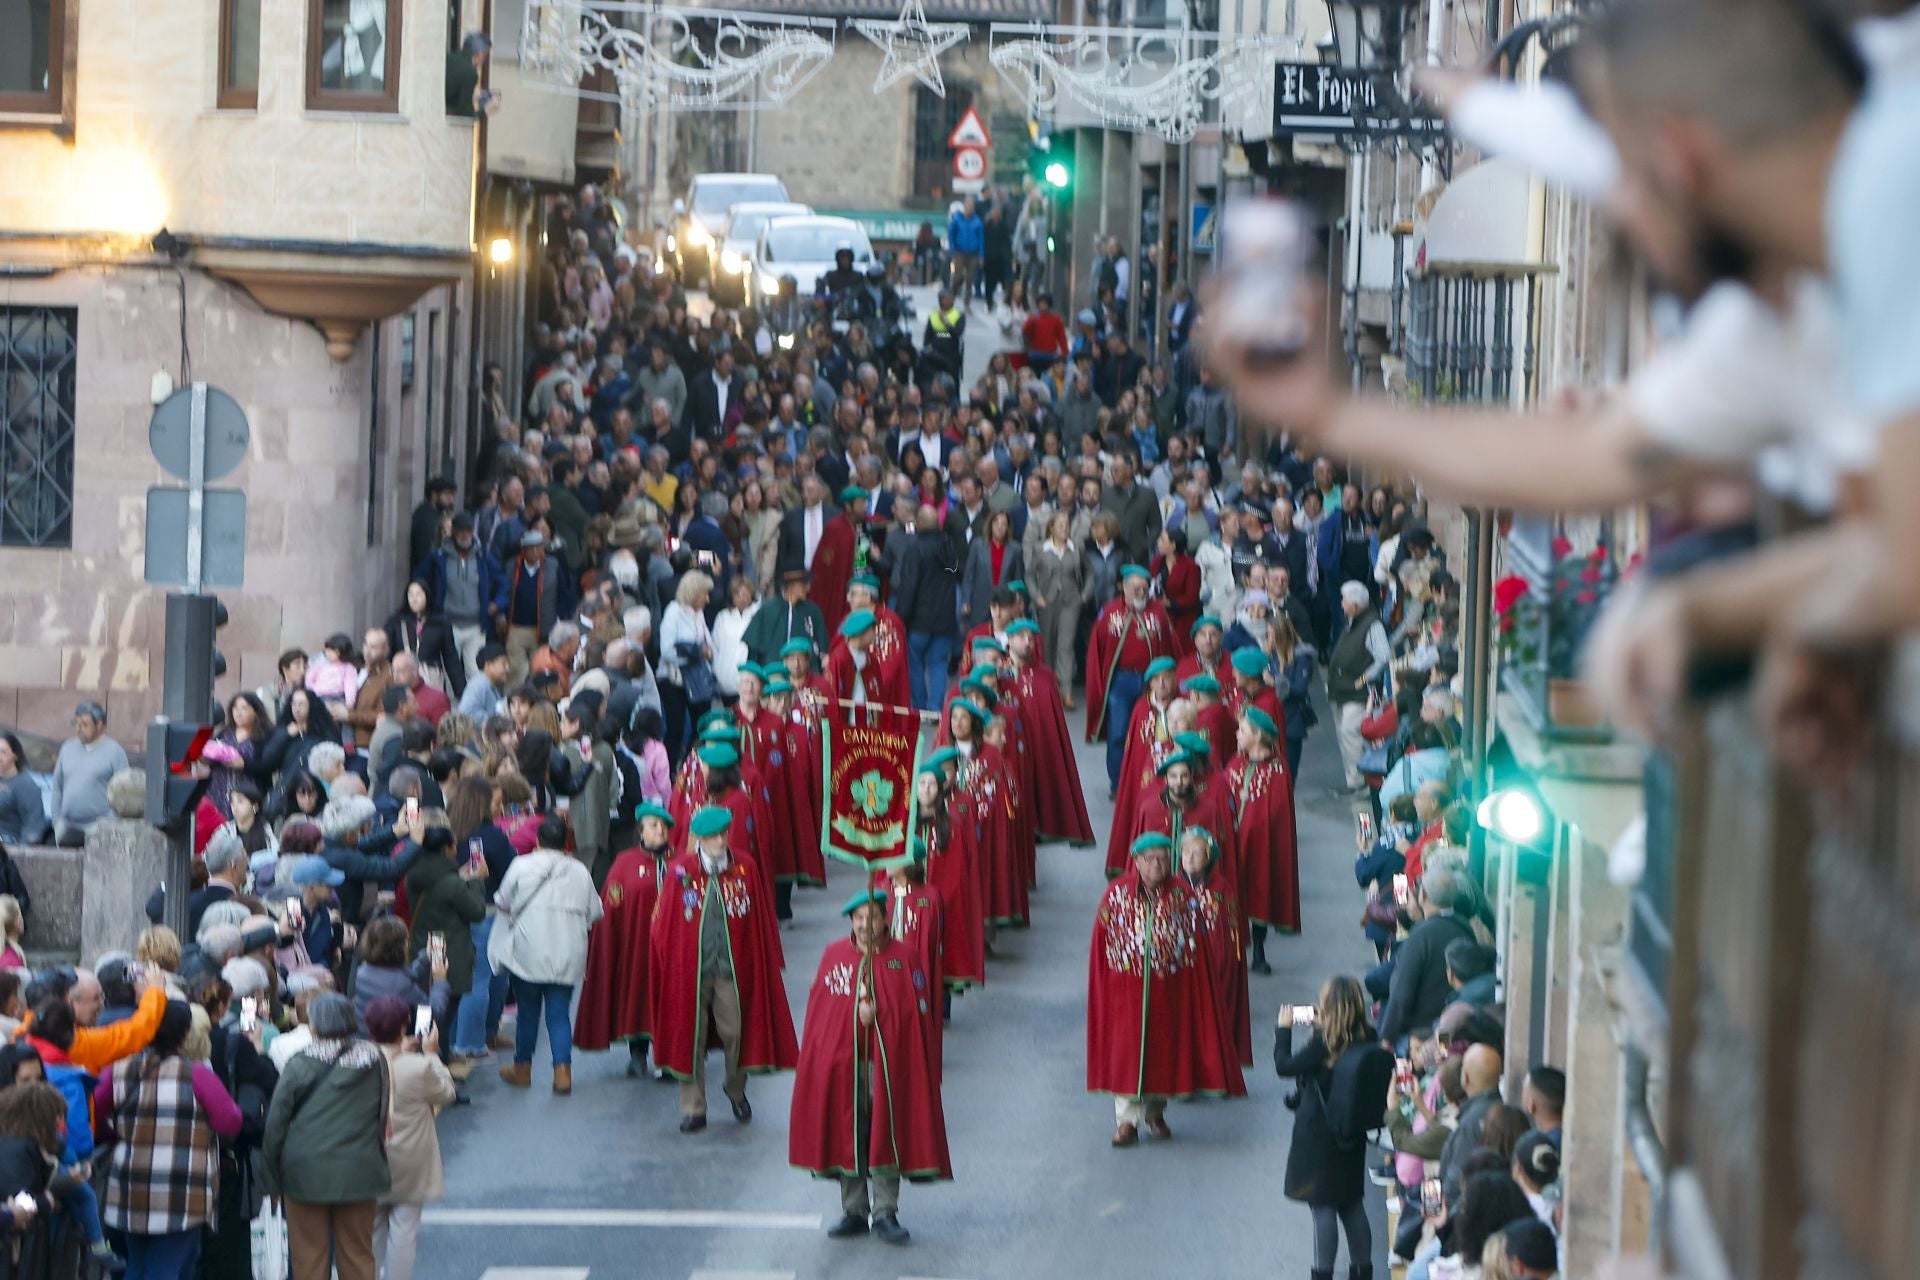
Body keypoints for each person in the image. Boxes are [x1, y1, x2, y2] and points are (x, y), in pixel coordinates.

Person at [790, 889, 950, 1246]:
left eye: (873, 917)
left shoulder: (904, 959)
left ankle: (886, 1211)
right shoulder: (834, 956)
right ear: (851, 921)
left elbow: (916, 1016)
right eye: (859, 918)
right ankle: (854, 1209)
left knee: (885, 1135)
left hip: (887, 1067)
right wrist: (852, 1015)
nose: (866, 925)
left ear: (884, 919)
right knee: (850, 1134)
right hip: (845, 1067)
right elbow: (821, 1016)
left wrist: (881, 1015)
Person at [1086, 833, 1245, 1147]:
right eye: (1149, 859)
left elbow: (1197, 949)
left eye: (1161, 858)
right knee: (1127, 1055)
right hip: (1125, 991)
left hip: (1168, 989)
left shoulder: (1183, 896)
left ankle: (1155, 1113)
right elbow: (1100, 947)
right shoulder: (1115, 895)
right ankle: (1127, 1120)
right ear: (1137, 862)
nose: (1156, 865)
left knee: (1162, 1052)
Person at [648, 805, 797, 1132]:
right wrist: (668, 963)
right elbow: (661, 924)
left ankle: (735, 1088)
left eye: (724, 834)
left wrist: (767, 961)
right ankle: (694, 1108)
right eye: (713, 836)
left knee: (736, 1034)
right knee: (692, 1039)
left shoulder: (746, 868)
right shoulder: (680, 872)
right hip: (690, 973)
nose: (720, 840)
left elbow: (760, 919)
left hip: (731, 970)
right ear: (699, 838)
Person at [94, 999, 242, 1275]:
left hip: (130, 1185)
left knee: (137, 1265)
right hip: (182, 1190)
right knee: (167, 1268)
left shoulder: (119, 1070)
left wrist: (113, 1132)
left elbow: (93, 1114)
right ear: (186, 1033)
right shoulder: (196, 1074)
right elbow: (230, 1122)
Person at [261, 993, 389, 1280]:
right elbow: (381, 1115)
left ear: (315, 1026)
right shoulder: (374, 1060)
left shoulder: (299, 1065)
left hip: (303, 1173)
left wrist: (271, 1181)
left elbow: (275, 1126)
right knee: (357, 1256)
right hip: (359, 1169)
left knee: (309, 1259)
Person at [1273, 976, 1392, 1280]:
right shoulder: (1368, 1035)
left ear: (1328, 1006)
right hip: (1351, 1131)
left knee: (1322, 1208)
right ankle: (1362, 1272)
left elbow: (1285, 1065)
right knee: (1351, 1203)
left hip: (1319, 1134)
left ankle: (1322, 1274)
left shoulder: (1323, 1043)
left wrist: (1283, 1028)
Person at [493, 816, 603, 1095]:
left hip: (529, 950)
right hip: (568, 952)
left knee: (528, 1013)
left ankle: (522, 1068)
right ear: (565, 842)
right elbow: (595, 912)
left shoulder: (521, 865)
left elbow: (502, 901)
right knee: (559, 1015)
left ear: (538, 841)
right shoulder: (579, 871)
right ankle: (562, 1073)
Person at [364, 995, 456, 1280]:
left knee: (371, 1232)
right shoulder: (419, 1067)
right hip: (411, 1160)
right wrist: (430, 1054)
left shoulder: (361, 1062)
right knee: (404, 1232)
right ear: (404, 1026)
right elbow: (447, 1093)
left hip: (370, 1157)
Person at [1084, 564, 1178, 794]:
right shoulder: (1109, 612)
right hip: (1120, 682)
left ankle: (1149, 780)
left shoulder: (1158, 613)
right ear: (1124, 588)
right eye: (1135, 588)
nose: (1140, 592)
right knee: (1118, 732)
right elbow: (1097, 650)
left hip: (1152, 682)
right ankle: (1118, 784)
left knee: (1153, 731)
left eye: (1144, 588)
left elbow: (1171, 645)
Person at [1227, 705, 1301, 973]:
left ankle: (1258, 951)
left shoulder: (1278, 772)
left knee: (1258, 895)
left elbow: (1277, 815)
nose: (1237, 734)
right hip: (1233, 845)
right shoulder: (1236, 764)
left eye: (1242, 730)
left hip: (1260, 847)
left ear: (1257, 736)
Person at [1379, 865, 1479, 1049]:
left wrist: (1387, 1039)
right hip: (1455, 1031)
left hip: (1419, 1036)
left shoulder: (1421, 936)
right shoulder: (1466, 930)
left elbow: (1401, 993)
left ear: (1422, 896)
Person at [1327, 581, 1391, 796]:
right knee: (1344, 733)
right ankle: (1354, 779)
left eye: (1344, 600)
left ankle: (1360, 780)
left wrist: (1364, 678)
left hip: (1359, 692)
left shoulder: (1372, 625)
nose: (1341, 603)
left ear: (1354, 603)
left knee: (1350, 731)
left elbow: (1383, 656)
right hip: (1344, 689)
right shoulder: (1355, 621)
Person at [49, 701, 128, 846]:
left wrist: (108, 823)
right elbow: (57, 788)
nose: (79, 729)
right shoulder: (67, 748)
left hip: (100, 830)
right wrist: (57, 821)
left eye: (84, 724)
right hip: (67, 828)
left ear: (99, 725)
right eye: (76, 724)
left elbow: (124, 793)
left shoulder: (115, 752)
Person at [0, 733, 49, 845]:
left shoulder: (24, 785)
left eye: (3, 752)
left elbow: (33, 825)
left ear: (15, 755)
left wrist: (22, 854)